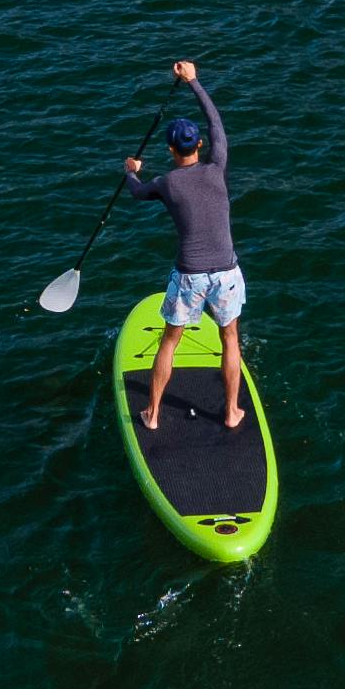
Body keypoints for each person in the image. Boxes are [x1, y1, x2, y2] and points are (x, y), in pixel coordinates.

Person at [121, 59, 248, 431]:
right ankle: (230, 412)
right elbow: (217, 123)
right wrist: (194, 81)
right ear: (200, 146)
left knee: (170, 341)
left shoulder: (166, 184)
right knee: (230, 339)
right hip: (226, 272)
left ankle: (153, 414)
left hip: (189, 275)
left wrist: (130, 170)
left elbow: (137, 193)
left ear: (171, 150)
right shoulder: (217, 166)